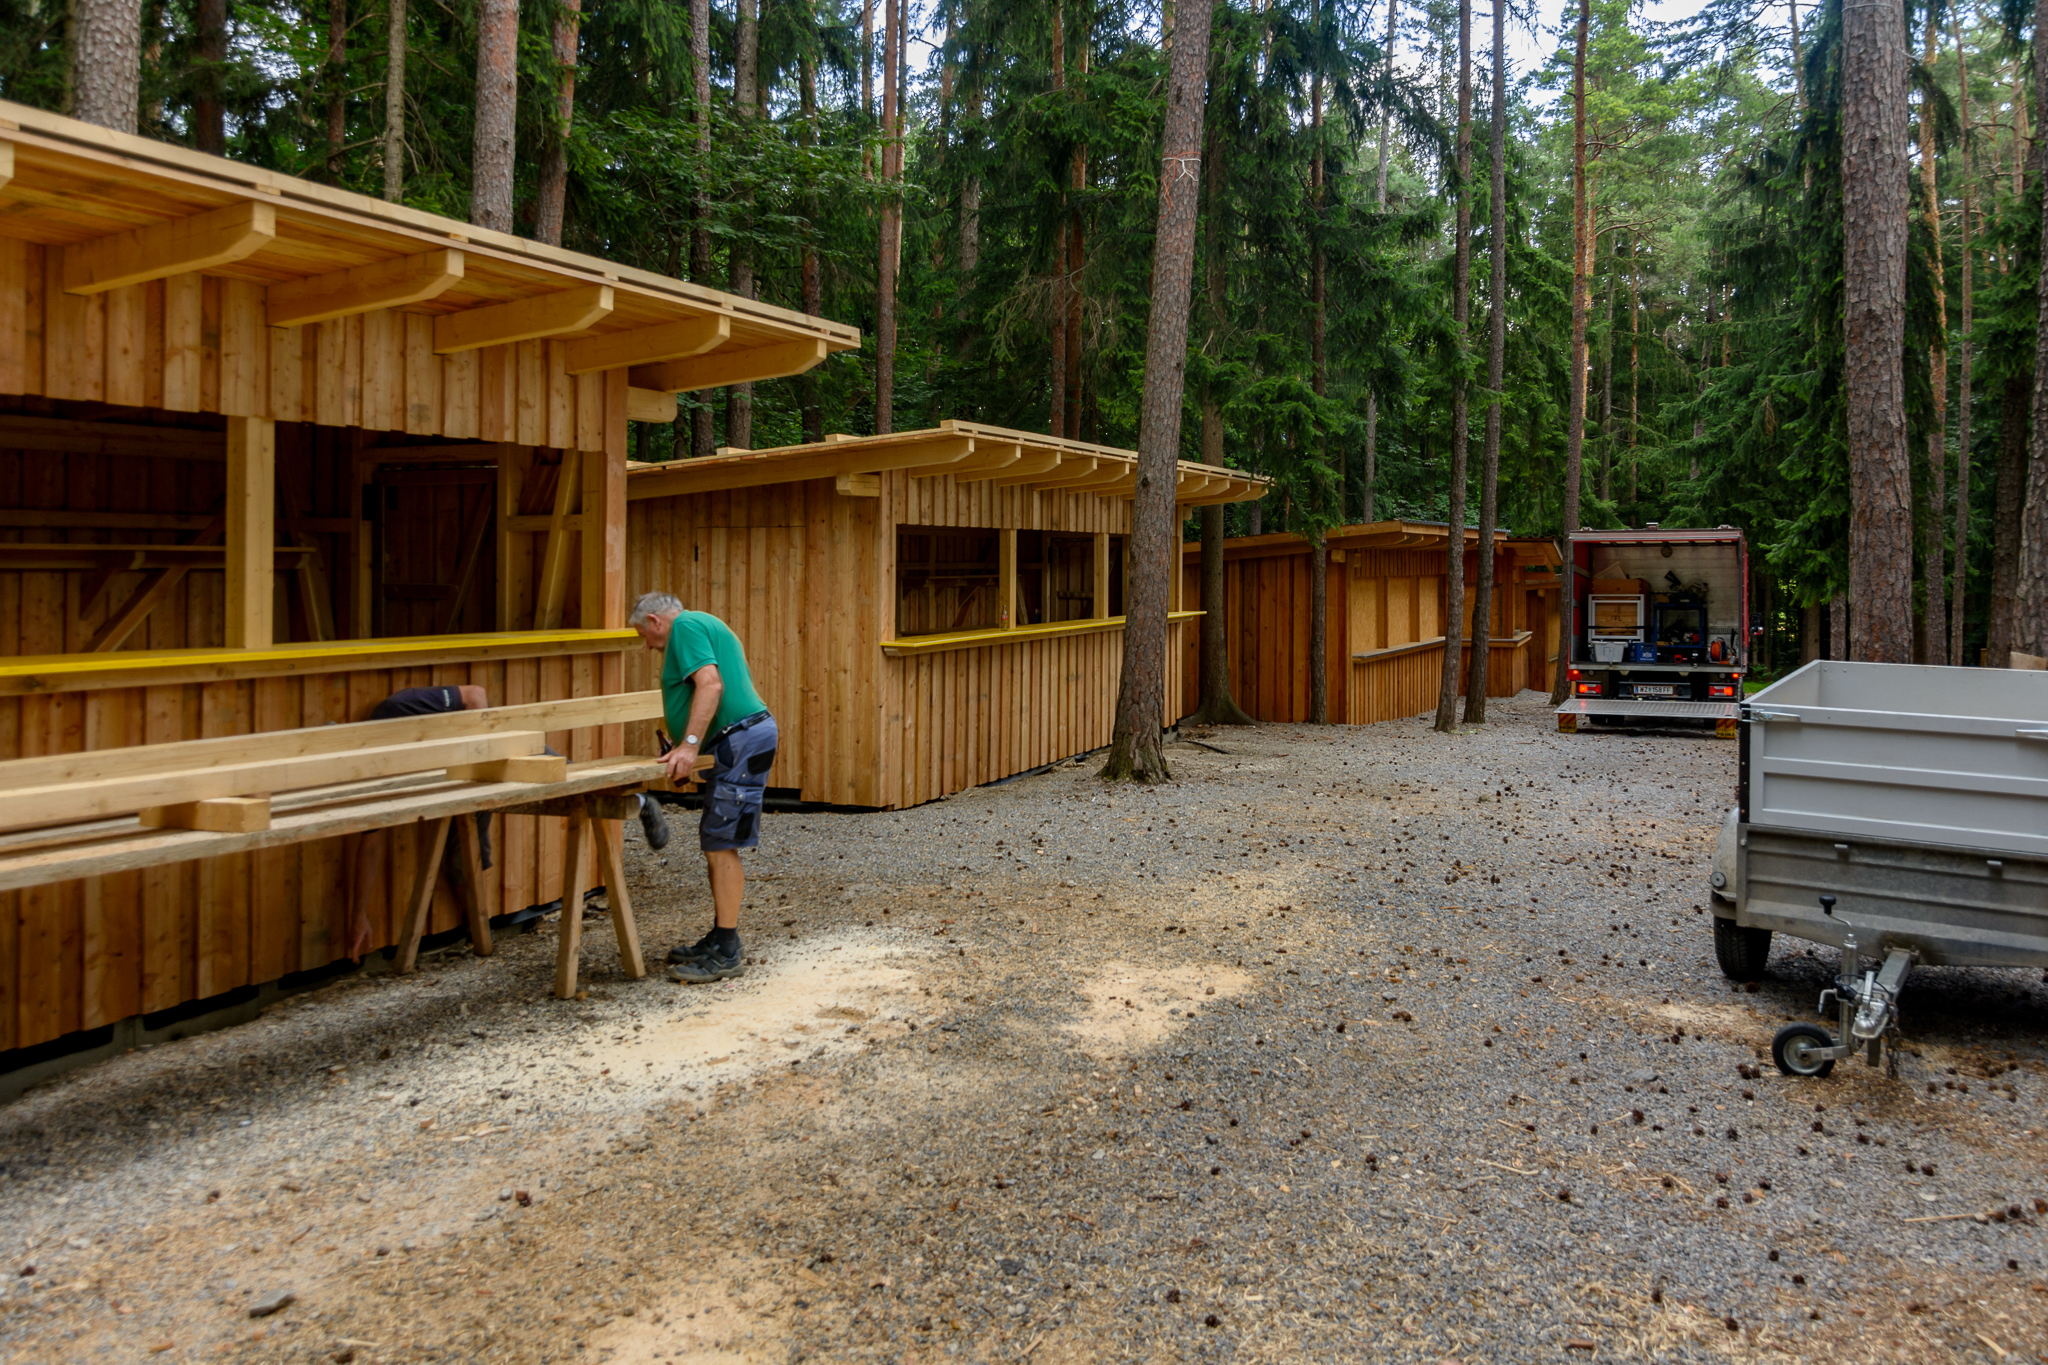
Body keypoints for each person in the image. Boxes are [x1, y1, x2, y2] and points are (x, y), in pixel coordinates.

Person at [629, 591, 777, 983]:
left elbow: (710, 685)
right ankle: (722, 937)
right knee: (716, 839)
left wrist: (690, 745)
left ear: (655, 621)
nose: (648, 646)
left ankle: (726, 952)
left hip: (741, 739)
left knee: (721, 842)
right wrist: (685, 746)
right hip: (738, 739)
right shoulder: (700, 624)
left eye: (644, 635)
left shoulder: (686, 626)